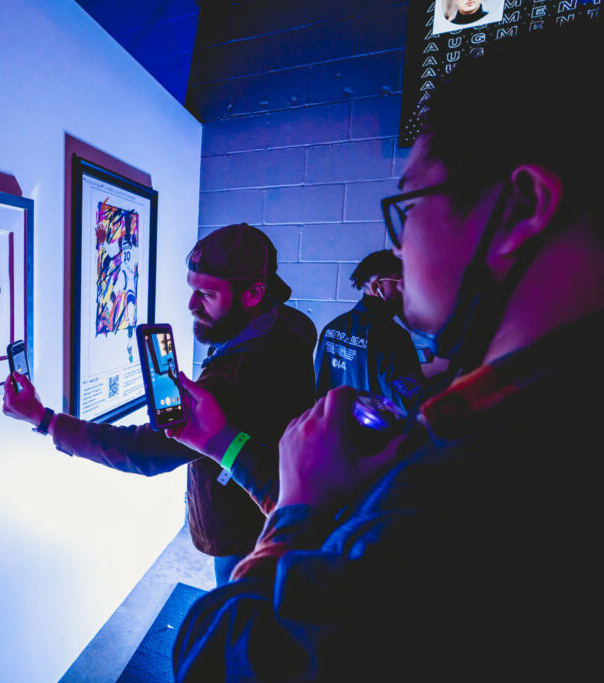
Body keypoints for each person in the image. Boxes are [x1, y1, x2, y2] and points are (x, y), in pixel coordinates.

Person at [165, 21, 602, 680]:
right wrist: (226, 440)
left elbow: (217, 657)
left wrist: (293, 515)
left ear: (522, 207)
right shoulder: (504, 414)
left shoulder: (466, 500)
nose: (398, 248)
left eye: (411, 206)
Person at [2, 223, 316, 585]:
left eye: (208, 294)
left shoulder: (239, 377)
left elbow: (146, 452)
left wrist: (45, 420)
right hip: (263, 513)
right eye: (192, 289)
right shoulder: (290, 324)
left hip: (245, 532)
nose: (191, 305)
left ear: (254, 293)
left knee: (237, 621)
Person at [314, 250, 424, 411]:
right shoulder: (393, 336)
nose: (405, 289)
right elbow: (409, 402)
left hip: (334, 426)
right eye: (400, 281)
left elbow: (320, 385)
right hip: (376, 434)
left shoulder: (332, 328)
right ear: (376, 286)